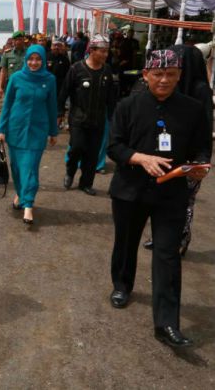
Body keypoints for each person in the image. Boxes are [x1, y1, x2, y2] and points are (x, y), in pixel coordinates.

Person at [107, 48, 210, 348]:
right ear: (146, 75)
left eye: (171, 74)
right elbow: (114, 146)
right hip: (130, 190)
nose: (164, 80)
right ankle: (122, 284)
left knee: (167, 255)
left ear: (179, 76)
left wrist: (199, 166)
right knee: (126, 243)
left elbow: (202, 147)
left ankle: (166, 323)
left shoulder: (192, 109)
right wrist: (140, 158)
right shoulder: (128, 106)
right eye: (158, 74)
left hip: (172, 193)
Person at [143, 45, 213, 256]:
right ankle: (161, 237)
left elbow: (204, 127)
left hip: (191, 157)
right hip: (170, 152)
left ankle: (180, 239)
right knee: (163, 198)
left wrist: (201, 160)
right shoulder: (175, 88)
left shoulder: (201, 89)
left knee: (185, 201)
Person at [0, 44, 58, 226]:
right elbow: (7, 105)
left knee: (30, 168)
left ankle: (28, 204)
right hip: (16, 129)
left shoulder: (50, 79)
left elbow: (52, 107)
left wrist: (53, 132)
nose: (34, 62)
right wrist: (1, 129)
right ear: (26, 60)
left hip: (37, 131)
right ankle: (20, 194)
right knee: (16, 168)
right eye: (30, 59)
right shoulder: (16, 78)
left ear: (43, 60)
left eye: (38, 59)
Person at [58, 34, 115, 195]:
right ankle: (70, 172)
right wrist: (60, 113)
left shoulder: (107, 70)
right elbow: (64, 92)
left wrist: (113, 117)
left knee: (92, 153)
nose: (105, 54)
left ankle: (86, 183)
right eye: (102, 51)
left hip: (98, 120)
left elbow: (111, 96)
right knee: (77, 147)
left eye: (107, 51)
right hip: (78, 118)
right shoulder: (76, 68)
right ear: (92, 50)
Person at [46, 36, 71, 128]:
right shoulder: (46, 57)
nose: (56, 47)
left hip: (60, 86)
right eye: (55, 45)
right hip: (47, 86)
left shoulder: (65, 59)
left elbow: (68, 74)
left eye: (58, 45)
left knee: (59, 104)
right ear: (51, 46)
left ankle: (58, 123)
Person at [0, 31, 27, 99]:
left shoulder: (29, 52)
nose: (18, 42)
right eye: (16, 40)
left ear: (23, 40)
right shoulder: (7, 53)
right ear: (13, 41)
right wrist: (0, 87)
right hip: (11, 84)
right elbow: (3, 71)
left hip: (25, 84)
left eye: (20, 39)